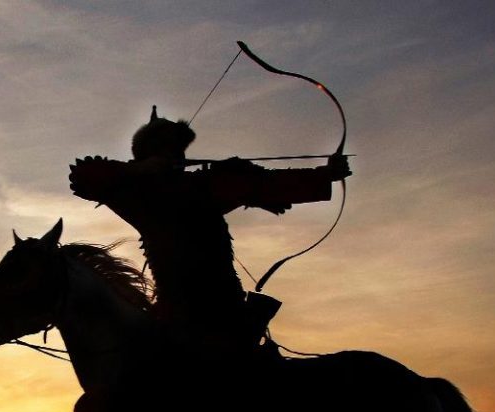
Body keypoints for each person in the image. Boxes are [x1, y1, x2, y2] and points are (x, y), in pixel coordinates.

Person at [68, 106, 350, 362]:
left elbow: (266, 185)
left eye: (179, 150)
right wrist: (140, 169)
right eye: (170, 150)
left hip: (224, 315)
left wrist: (325, 175)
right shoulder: (139, 195)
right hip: (173, 316)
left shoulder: (202, 186)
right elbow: (84, 177)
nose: (179, 156)